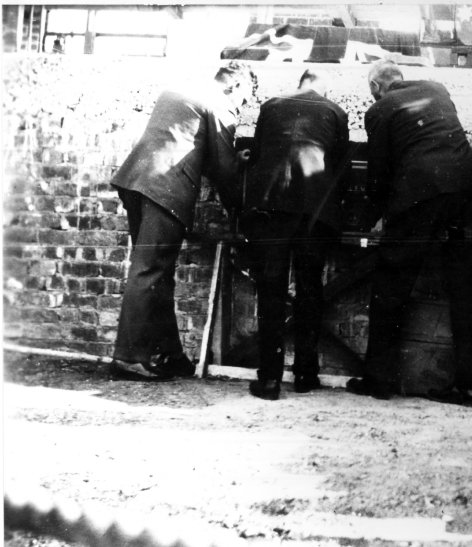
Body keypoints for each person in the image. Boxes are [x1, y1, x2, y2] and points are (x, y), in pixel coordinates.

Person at [346, 60, 472, 403]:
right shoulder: (436, 88)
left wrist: (374, 215)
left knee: (392, 283)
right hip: (470, 187)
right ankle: (471, 386)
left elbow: (379, 172)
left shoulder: (380, 108)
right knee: (470, 286)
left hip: (421, 192)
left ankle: (379, 380)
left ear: (375, 88)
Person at [110, 61, 255, 381]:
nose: (242, 108)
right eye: (244, 101)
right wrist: (239, 198)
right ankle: (129, 357)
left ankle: (172, 355)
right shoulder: (221, 105)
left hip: (135, 181)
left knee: (158, 273)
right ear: (238, 87)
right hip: (165, 190)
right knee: (149, 271)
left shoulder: (178, 91)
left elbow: (182, 141)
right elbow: (222, 170)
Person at [242, 69, 350, 400]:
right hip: (315, 212)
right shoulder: (336, 112)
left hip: (271, 207)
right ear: (323, 85)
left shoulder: (271, 106)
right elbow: (341, 170)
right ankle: (306, 374)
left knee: (271, 291)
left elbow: (258, 157)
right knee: (310, 290)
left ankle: (270, 379)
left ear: (300, 82)